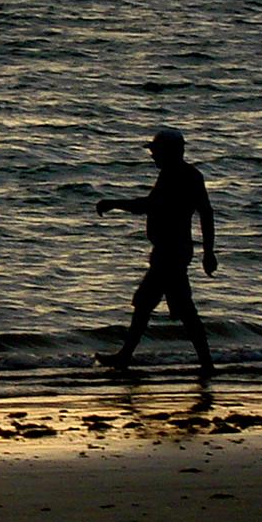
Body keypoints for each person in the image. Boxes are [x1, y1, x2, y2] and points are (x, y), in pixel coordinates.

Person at [95, 127, 216, 374]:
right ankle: (204, 362)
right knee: (165, 306)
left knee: (157, 305)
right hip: (174, 251)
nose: (153, 156)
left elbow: (149, 206)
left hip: (170, 252)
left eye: (156, 151)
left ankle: (127, 357)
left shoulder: (177, 177)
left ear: (170, 152)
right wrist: (207, 252)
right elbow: (206, 213)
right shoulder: (187, 175)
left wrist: (114, 204)